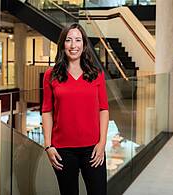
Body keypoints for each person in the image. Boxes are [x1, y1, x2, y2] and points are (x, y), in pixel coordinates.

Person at [42, 23, 109, 195]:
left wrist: (102, 143)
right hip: (63, 151)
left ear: (84, 44)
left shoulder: (96, 73)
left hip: (93, 149)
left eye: (78, 40)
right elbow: (47, 111)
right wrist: (48, 146)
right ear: (62, 44)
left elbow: (104, 109)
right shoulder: (51, 74)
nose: (73, 45)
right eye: (69, 40)